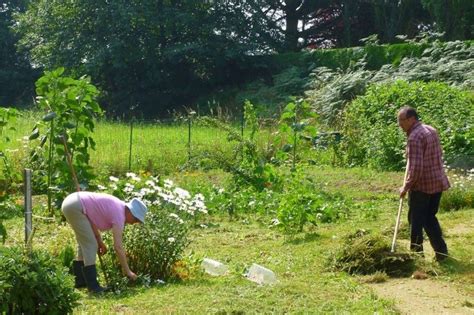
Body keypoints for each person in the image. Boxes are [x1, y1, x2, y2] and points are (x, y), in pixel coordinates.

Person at [61, 192, 148, 293]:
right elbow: (118, 247)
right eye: (136, 219)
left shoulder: (118, 207)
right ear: (131, 212)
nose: (134, 223)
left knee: (85, 242)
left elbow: (91, 220)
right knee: (90, 244)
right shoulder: (119, 215)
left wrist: (99, 240)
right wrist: (128, 271)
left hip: (73, 203)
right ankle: (93, 287)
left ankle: (81, 281)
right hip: (76, 206)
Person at [397, 106, 450, 261]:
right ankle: (441, 253)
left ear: (411, 119)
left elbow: (416, 168)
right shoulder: (431, 130)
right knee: (429, 218)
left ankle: (416, 255)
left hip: (422, 186)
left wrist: (405, 187)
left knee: (415, 221)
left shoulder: (414, 137)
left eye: (401, 120)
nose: (399, 124)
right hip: (437, 182)